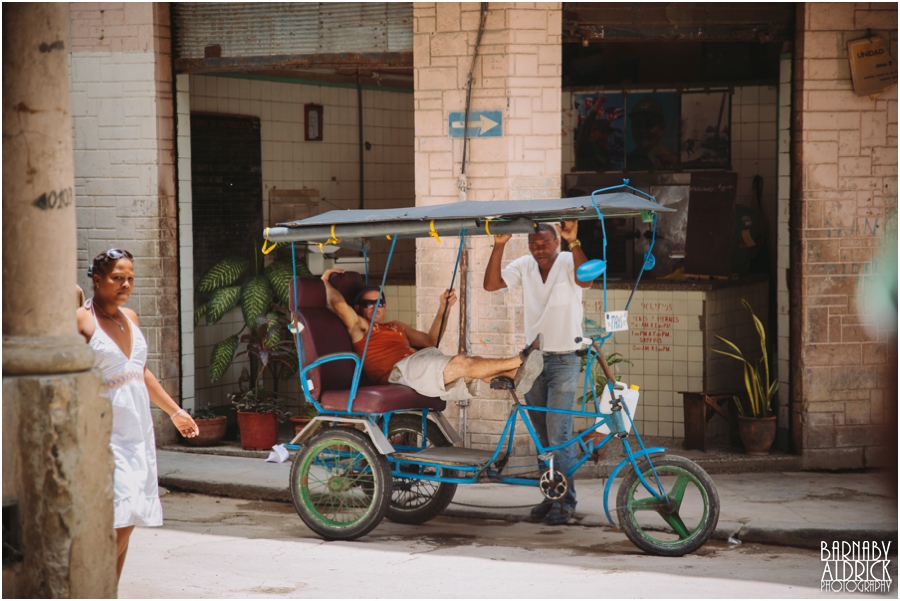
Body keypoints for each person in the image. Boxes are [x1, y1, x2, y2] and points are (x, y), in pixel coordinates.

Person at [77, 249, 199, 580]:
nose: (126, 284)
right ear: (97, 279)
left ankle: (108, 590)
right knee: (119, 515)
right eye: (118, 277)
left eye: (131, 278)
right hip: (103, 431)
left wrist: (175, 412)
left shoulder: (129, 317)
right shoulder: (82, 320)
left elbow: (140, 372)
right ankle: (88, 586)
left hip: (138, 431)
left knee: (129, 517)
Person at [483, 221, 592, 525]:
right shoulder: (524, 265)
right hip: (534, 361)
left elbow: (586, 283)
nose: (539, 249)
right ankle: (550, 496)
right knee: (542, 437)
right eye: (533, 243)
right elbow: (491, 285)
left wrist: (574, 241)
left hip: (565, 360)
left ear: (556, 241)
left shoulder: (571, 260)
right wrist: (500, 244)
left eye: (544, 243)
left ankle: (566, 503)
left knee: (559, 435)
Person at [320, 268, 543, 401]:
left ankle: (516, 374)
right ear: (358, 308)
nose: (376, 307)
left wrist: (443, 308)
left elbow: (430, 341)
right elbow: (338, 304)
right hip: (399, 371)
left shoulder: (396, 326)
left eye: (381, 302)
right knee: (463, 361)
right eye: (369, 303)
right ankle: (521, 358)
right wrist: (324, 281)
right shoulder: (361, 328)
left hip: (421, 360)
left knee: (474, 367)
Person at [626, 95, 678, 171]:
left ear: (662, 128)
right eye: (637, 125)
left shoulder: (673, 162)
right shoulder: (627, 162)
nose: (643, 131)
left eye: (649, 124)